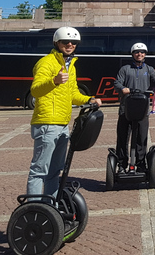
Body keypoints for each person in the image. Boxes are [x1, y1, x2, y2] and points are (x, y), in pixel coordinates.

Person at [26, 27, 100, 198]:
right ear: (56, 43)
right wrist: (54, 81)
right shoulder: (46, 62)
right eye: (65, 42)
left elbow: (73, 93)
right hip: (46, 123)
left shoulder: (70, 66)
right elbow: (35, 90)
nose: (69, 44)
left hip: (62, 124)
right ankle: (34, 208)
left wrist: (89, 99)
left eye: (73, 42)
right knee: (39, 170)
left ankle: (51, 206)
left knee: (54, 172)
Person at [114, 43, 155, 172]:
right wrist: (122, 88)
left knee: (141, 138)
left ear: (145, 54)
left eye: (142, 52)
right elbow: (117, 83)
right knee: (123, 137)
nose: (139, 54)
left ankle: (140, 163)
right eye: (137, 52)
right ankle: (122, 164)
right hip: (126, 108)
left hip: (142, 109)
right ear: (133, 54)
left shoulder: (149, 69)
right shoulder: (125, 69)